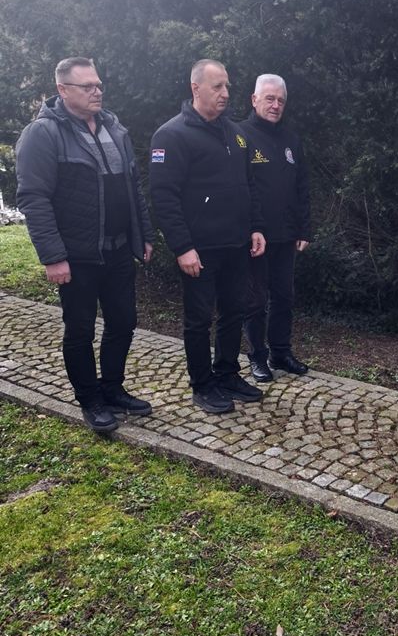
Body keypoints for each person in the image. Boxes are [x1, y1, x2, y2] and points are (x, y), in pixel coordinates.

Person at [15, 57, 154, 433]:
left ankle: (112, 389)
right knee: (80, 330)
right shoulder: (43, 134)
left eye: (98, 84)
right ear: (62, 90)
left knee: (124, 321)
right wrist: (53, 256)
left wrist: (143, 235)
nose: (97, 91)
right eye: (87, 86)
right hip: (76, 255)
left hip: (118, 250)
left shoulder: (114, 128)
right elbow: (34, 198)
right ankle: (90, 400)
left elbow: (132, 187)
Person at [149, 59, 266, 414]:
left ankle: (227, 373)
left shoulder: (236, 133)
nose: (225, 93)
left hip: (236, 244)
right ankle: (202, 385)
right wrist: (182, 247)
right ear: (195, 88)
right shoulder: (171, 135)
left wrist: (255, 226)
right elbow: (164, 197)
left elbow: (249, 185)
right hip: (199, 249)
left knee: (234, 311)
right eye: (217, 87)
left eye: (227, 86)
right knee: (199, 319)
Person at [240, 74, 311, 382]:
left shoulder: (291, 139)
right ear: (254, 99)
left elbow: (302, 187)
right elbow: (240, 188)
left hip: (286, 234)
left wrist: (304, 228)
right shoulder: (240, 135)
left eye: (281, 100)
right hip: (255, 237)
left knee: (284, 297)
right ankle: (257, 356)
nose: (275, 105)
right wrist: (250, 227)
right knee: (255, 300)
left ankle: (280, 352)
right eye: (269, 98)